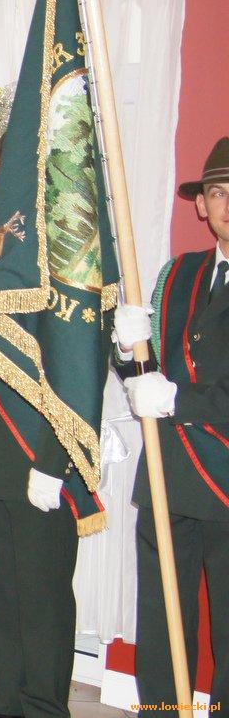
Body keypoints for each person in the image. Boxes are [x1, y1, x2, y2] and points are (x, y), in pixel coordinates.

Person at [0, 134, 84, 718]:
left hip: (38, 449)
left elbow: (75, 369)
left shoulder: (67, 255)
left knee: (42, 592)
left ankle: (43, 705)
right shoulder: (2, 251)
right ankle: (0, 696)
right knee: (2, 586)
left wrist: (55, 458)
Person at [115, 136, 229, 717]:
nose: (228, 203)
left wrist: (177, 397)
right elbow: (147, 372)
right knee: (161, 624)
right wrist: (125, 347)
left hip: (225, 483)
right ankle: (160, 711)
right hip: (169, 474)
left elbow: (172, 392)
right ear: (201, 205)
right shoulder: (178, 274)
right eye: (218, 191)